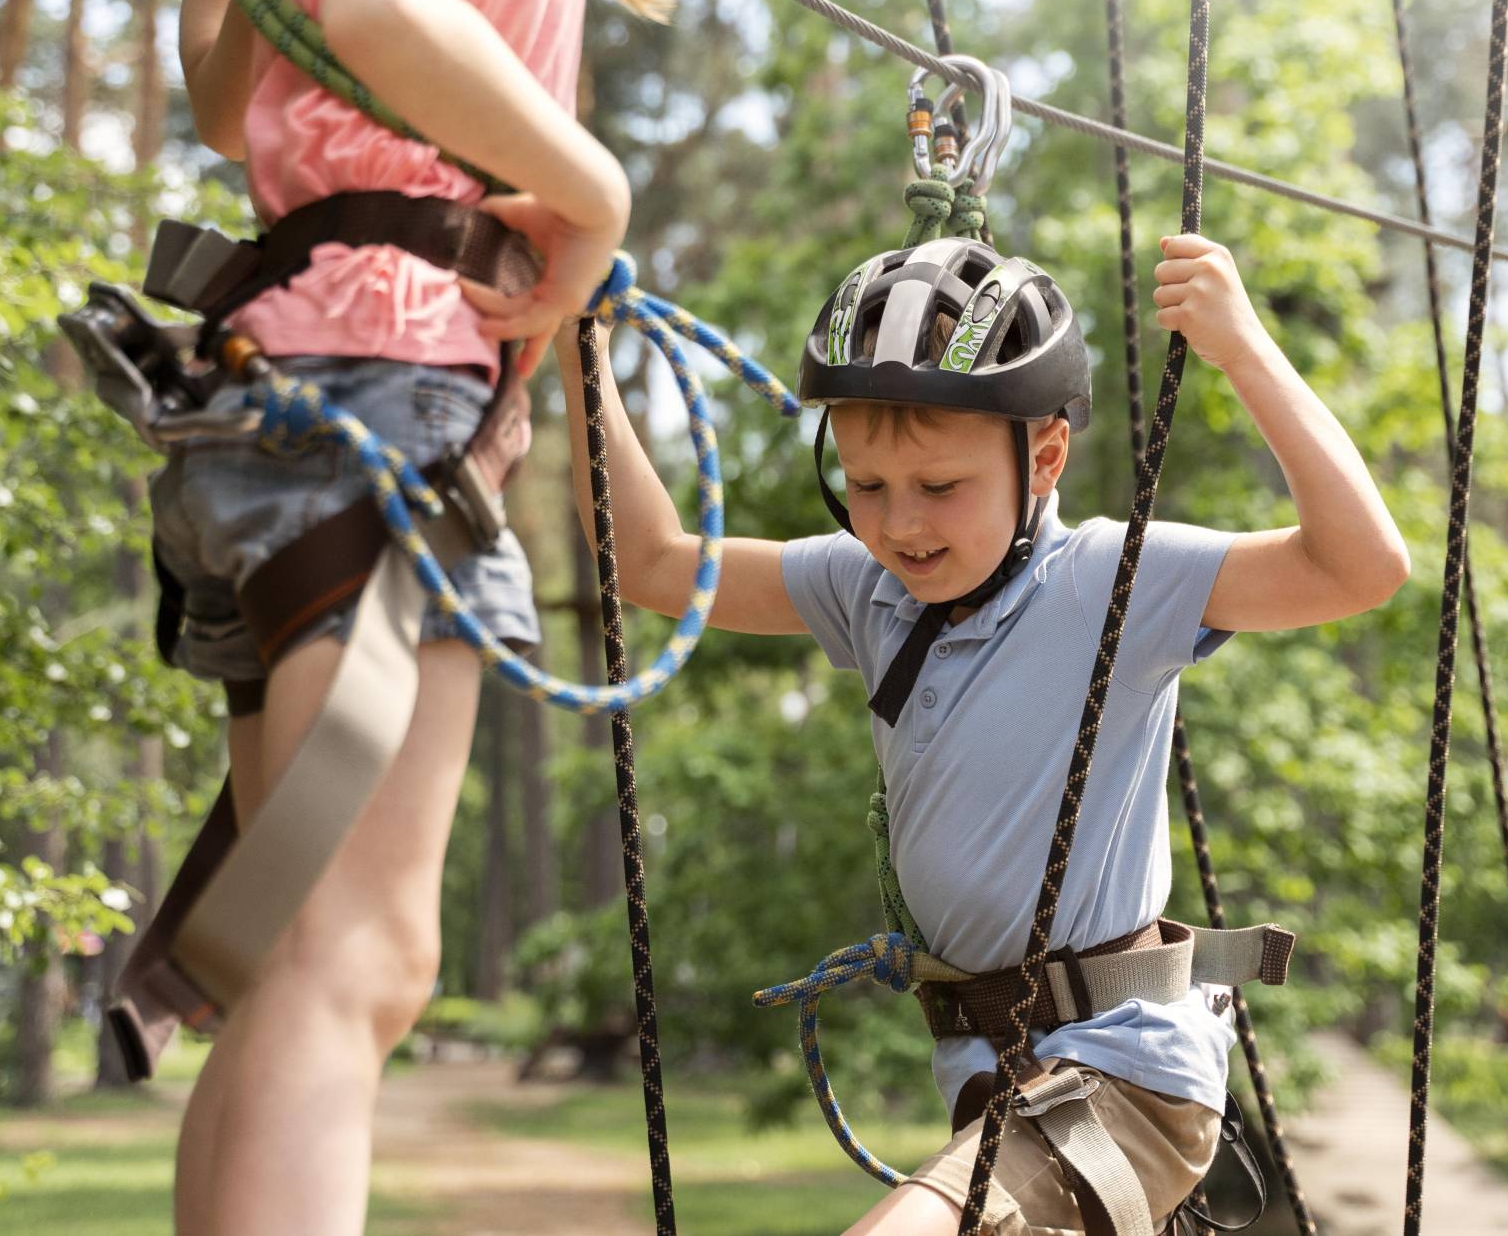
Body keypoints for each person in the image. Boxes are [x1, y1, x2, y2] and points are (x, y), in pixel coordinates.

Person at [138, 0, 686, 1230]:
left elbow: (236, 105)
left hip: (266, 398)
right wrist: (590, 192)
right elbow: (382, 3)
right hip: (384, 393)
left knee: (291, 948)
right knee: (354, 960)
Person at [562, 232, 1409, 1235]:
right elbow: (656, 563)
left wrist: (1242, 349)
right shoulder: (868, 589)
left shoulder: (1113, 580)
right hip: (992, 1077)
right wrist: (572, 351)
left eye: (939, 488)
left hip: (1126, 1074)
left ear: (1043, 455)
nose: (898, 525)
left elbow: (1360, 567)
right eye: (865, 487)